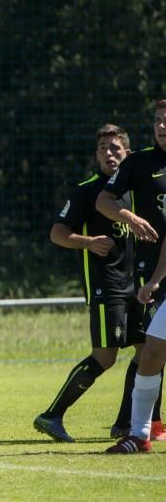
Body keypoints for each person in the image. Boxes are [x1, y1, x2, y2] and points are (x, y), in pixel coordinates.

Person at [35, 124, 149, 442]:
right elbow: (58, 233)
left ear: (127, 153)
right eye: (103, 148)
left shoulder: (135, 189)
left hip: (136, 286)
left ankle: (125, 424)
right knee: (105, 356)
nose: (109, 153)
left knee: (146, 351)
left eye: (115, 148)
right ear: (96, 155)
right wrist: (88, 242)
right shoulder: (88, 190)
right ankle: (51, 416)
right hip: (106, 286)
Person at [99, 102, 166, 453]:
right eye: (157, 121)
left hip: (159, 274)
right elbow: (104, 201)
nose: (162, 127)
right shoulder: (139, 162)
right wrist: (131, 217)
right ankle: (139, 433)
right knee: (152, 352)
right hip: (157, 274)